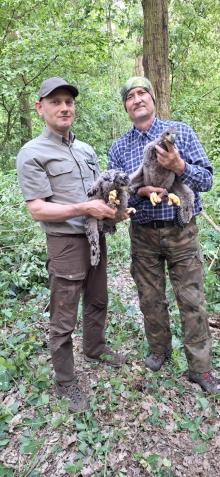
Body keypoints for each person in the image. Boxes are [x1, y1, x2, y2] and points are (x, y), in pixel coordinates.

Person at [16, 76, 126, 412]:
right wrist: (83, 209)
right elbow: (37, 209)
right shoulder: (32, 153)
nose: (65, 107)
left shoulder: (85, 150)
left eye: (69, 102)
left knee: (98, 300)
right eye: (55, 102)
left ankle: (94, 347)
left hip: (96, 237)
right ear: (40, 108)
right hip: (65, 244)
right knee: (64, 317)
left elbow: (96, 193)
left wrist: (113, 210)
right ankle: (65, 381)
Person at [108, 76, 220, 393]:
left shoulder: (180, 132)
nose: (137, 98)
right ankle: (159, 351)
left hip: (182, 231)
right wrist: (139, 190)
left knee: (192, 300)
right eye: (130, 96)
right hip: (142, 233)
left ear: (153, 99)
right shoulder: (118, 148)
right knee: (150, 298)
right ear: (126, 107)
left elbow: (207, 180)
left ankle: (200, 368)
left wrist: (180, 165)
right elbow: (116, 193)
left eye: (143, 92)